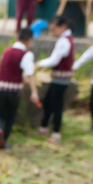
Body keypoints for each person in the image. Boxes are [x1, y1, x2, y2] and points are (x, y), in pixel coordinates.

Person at [0, 27, 40, 150]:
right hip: (13, 91)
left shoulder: (6, 51)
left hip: (0, 88)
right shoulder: (26, 54)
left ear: (16, 38)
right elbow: (30, 74)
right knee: (10, 116)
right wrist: (34, 92)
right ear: (29, 41)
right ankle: (4, 140)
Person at [36, 15, 75, 144]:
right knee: (48, 102)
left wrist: (39, 64)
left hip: (61, 79)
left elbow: (54, 60)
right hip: (58, 78)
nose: (52, 33)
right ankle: (44, 127)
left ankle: (56, 133)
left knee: (56, 105)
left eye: (53, 30)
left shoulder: (64, 41)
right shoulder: (65, 39)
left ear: (63, 27)